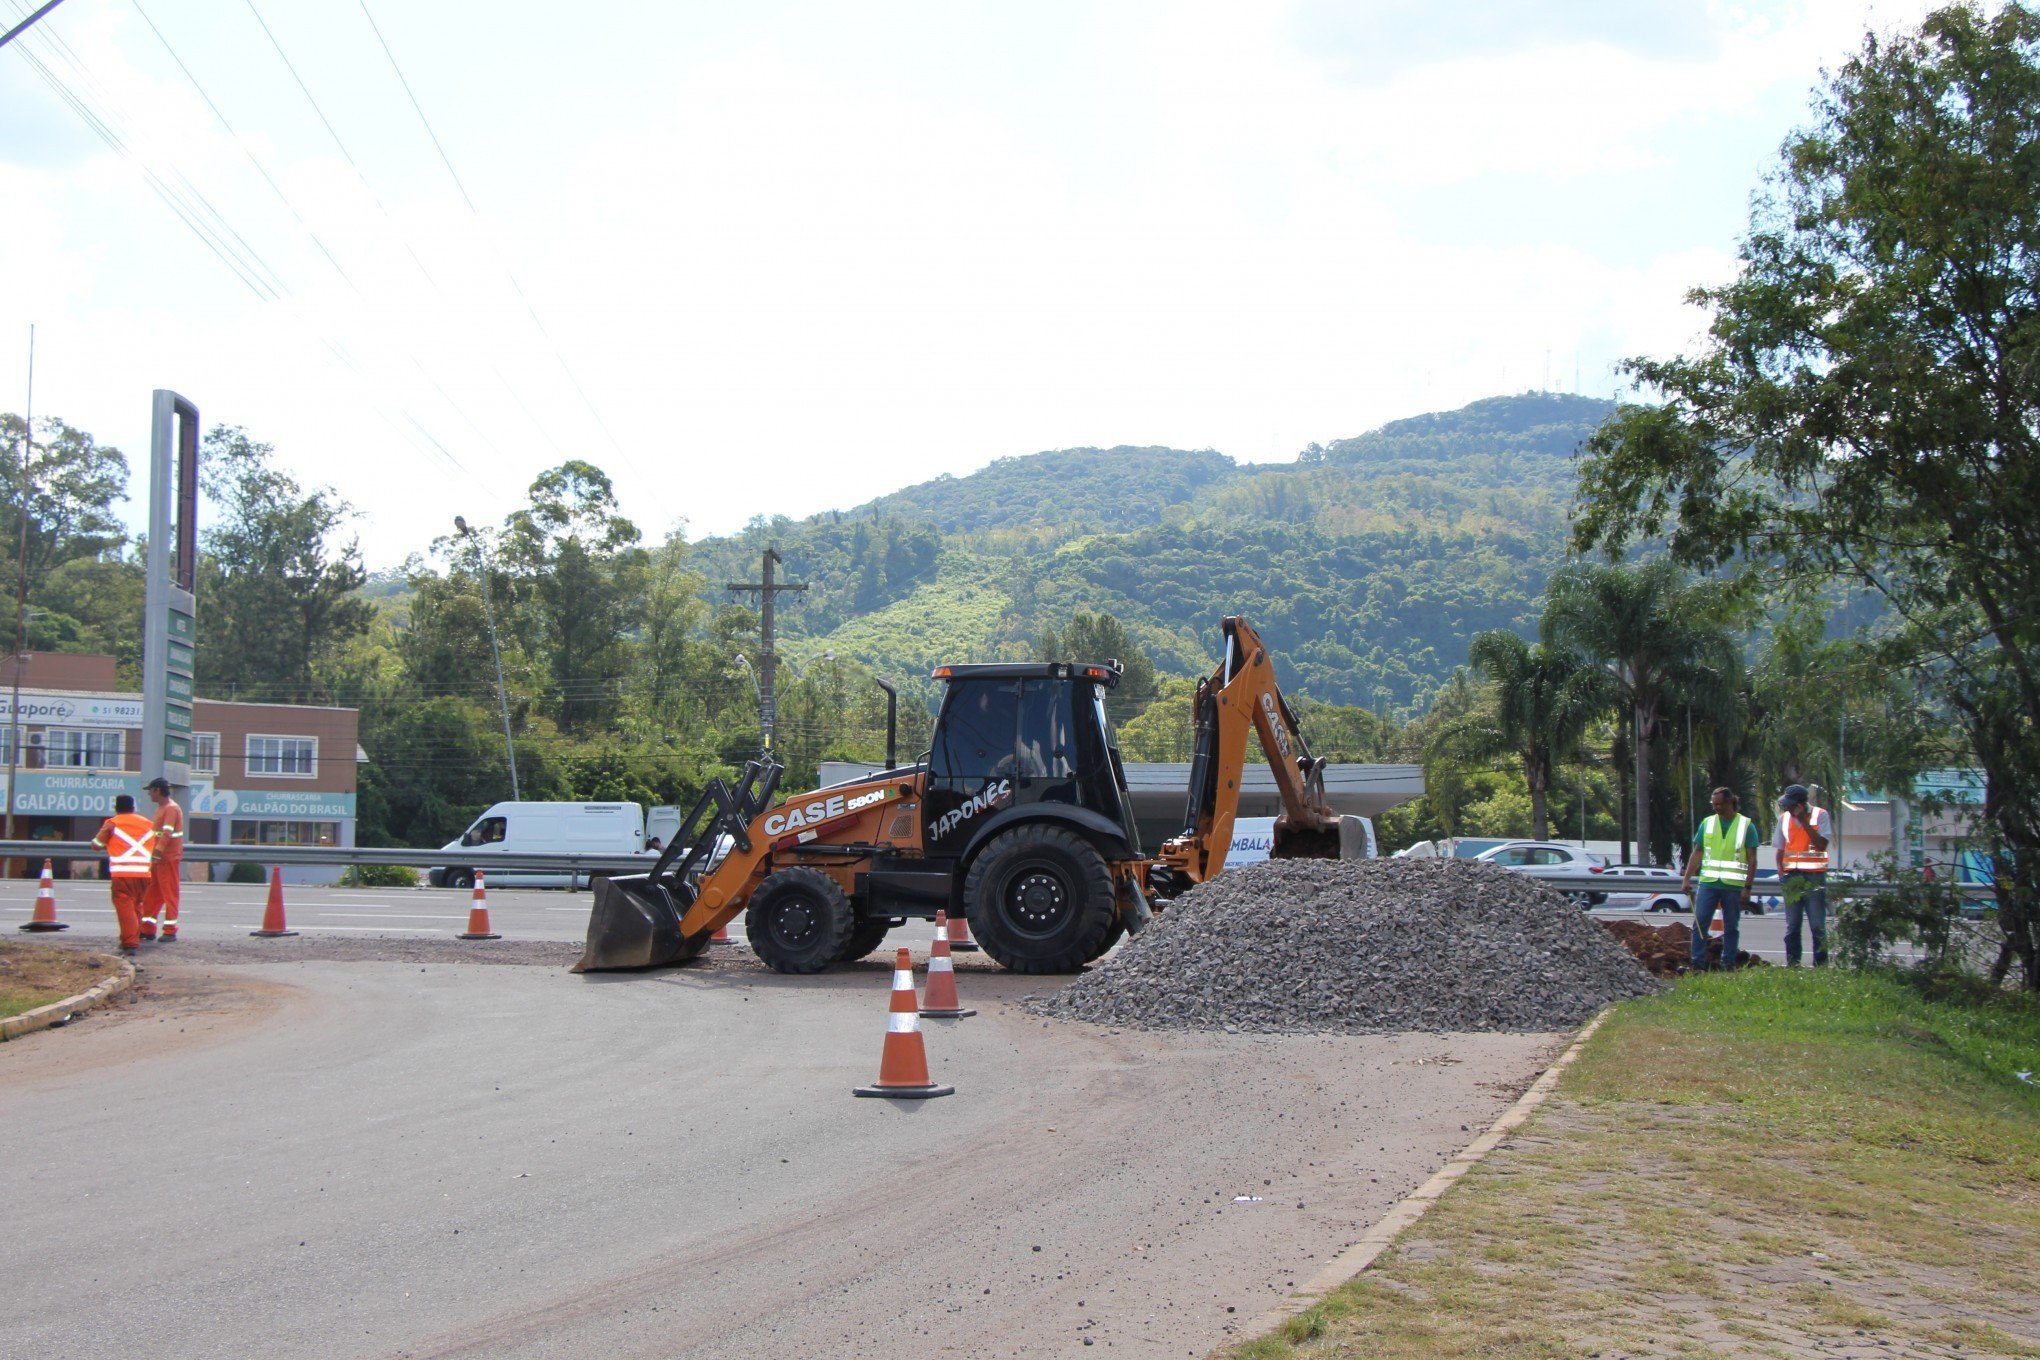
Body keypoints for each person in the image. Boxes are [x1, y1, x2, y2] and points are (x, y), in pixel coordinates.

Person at [1681, 787, 1759, 970]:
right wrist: (1686, 879)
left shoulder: (1746, 825)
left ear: (1730, 802)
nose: (1716, 807)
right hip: (1708, 883)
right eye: (1713, 804)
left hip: (1733, 886)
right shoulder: (1707, 823)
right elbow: (1697, 852)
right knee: (1700, 922)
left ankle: (1728, 962)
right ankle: (1697, 962)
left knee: (1731, 926)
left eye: (1719, 804)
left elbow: (1752, 859)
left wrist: (1747, 887)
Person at [89, 794, 157, 956]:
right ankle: (133, 936)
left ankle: (130, 943)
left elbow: (97, 845)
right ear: (133, 807)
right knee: (136, 907)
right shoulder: (148, 824)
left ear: (116, 808)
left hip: (123, 874)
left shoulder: (112, 823)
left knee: (125, 908)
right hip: (144, 874)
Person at [1774, 783, 1832, 967]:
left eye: (1791, 805)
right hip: (1791, 878)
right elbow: (1780, 850)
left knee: (1817, 926)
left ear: (1801, 804)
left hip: (1814, 877)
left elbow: (1822, 844)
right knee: (1792, 926)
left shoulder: (1820, 815)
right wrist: (1781, 873)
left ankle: (1821, 965)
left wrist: (1804, 821)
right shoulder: (1783, 819)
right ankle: (1793, 964)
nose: (1788, 808)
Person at [142, 776, 186, 943]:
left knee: (169, 894)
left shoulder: (171, 809)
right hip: (160, 860)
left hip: (167, 859)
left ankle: (170, 930)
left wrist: (157, 852)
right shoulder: (163, 808)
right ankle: (147, 928)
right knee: (152, 894)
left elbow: (167, 833)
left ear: (157, 790)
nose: (149, 795)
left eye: (150, 791)